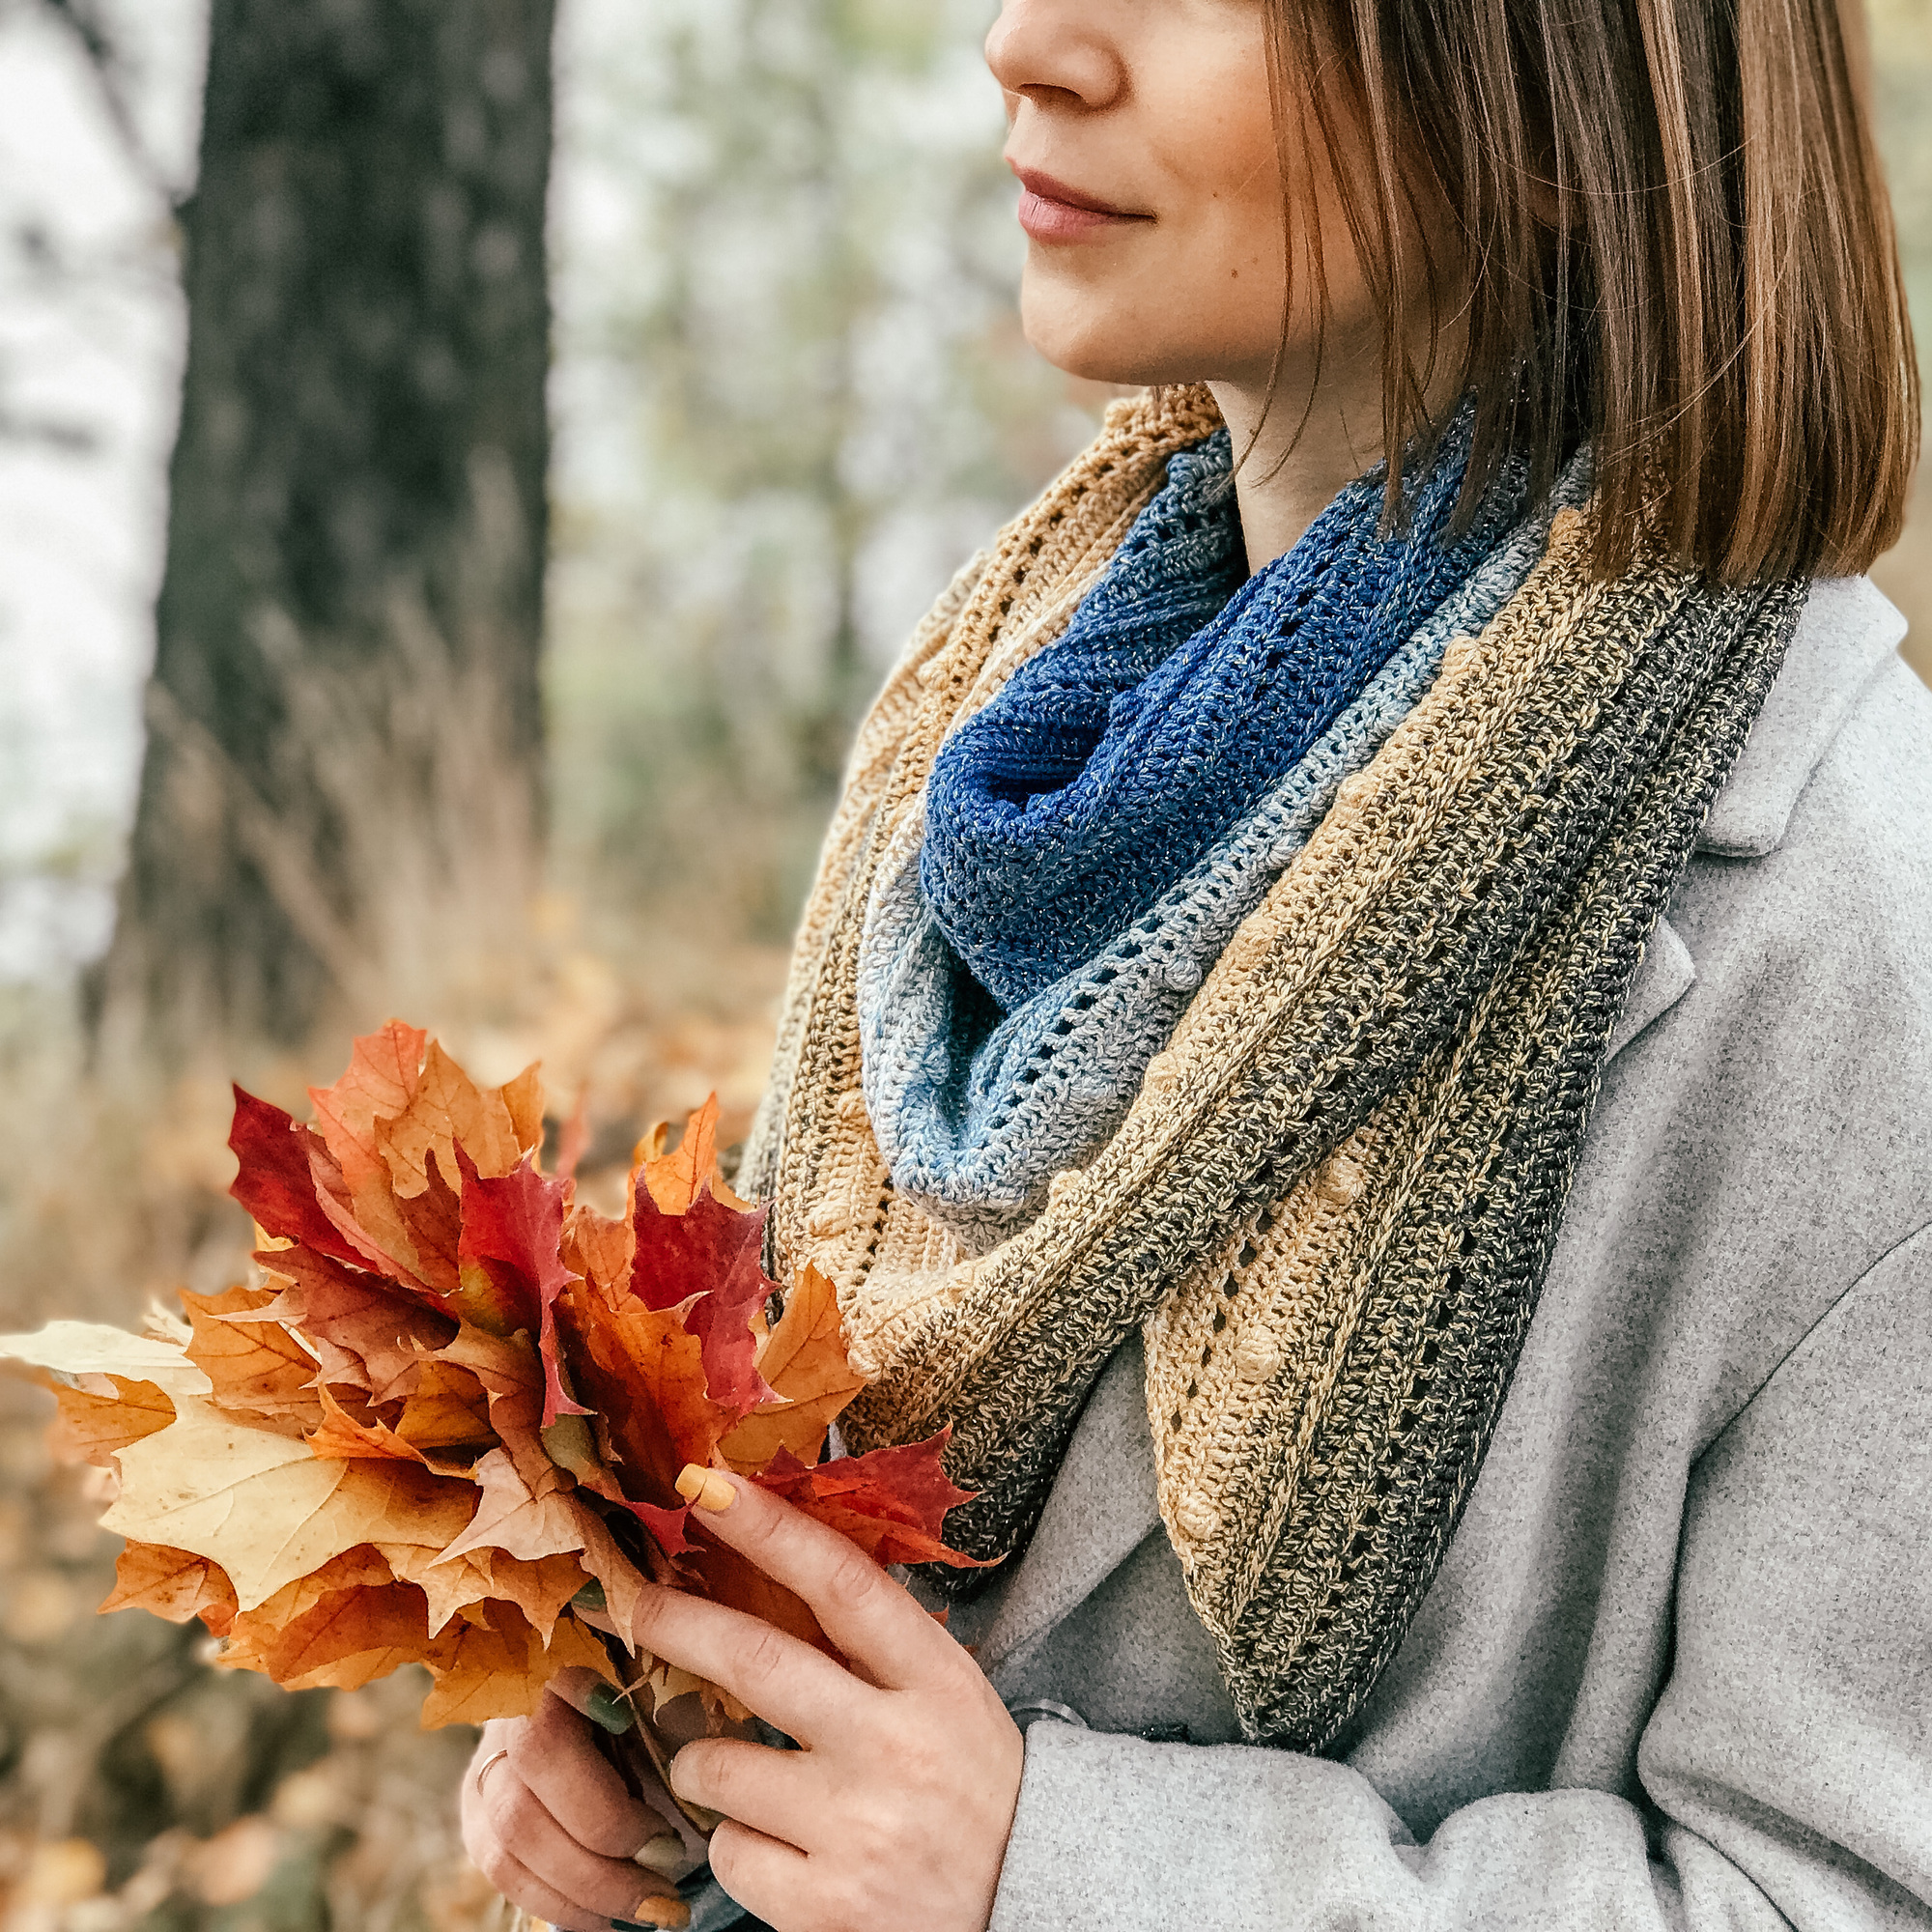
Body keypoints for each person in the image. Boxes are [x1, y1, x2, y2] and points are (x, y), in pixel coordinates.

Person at [462, 0, 1929, 1925]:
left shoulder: (1857, 931)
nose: (1026, 44)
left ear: (1555, 86)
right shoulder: (998, 742)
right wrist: (643, 1734)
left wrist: (1056, 1872)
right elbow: (816, 1523)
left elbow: (1837, 1894)